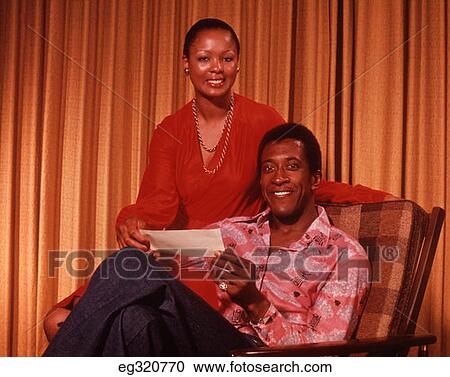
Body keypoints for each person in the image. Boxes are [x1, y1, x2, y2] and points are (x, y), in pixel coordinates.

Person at [44, 18, 388, 341]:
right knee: (88, 318)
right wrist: (133, 222)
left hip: (225, 274)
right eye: (204, 58)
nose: (216, 68)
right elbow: (158, 206)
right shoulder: (171, 133)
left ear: (237, 63)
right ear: (186, 64)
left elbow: (293, 174)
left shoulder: (263, 121)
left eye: (226, 58)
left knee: (118, 314)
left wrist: (375, 198)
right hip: (195, 248)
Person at [43, 123, 370, 356]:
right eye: (269, 168)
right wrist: (136, 229)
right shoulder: (237, 234)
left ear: (314, 179)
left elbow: (321, 358)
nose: (279, 178)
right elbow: (159, 248)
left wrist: (256, 303)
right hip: (214, 350)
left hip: (264, 362)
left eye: (292, 166)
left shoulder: (343, 255)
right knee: (134, 317)